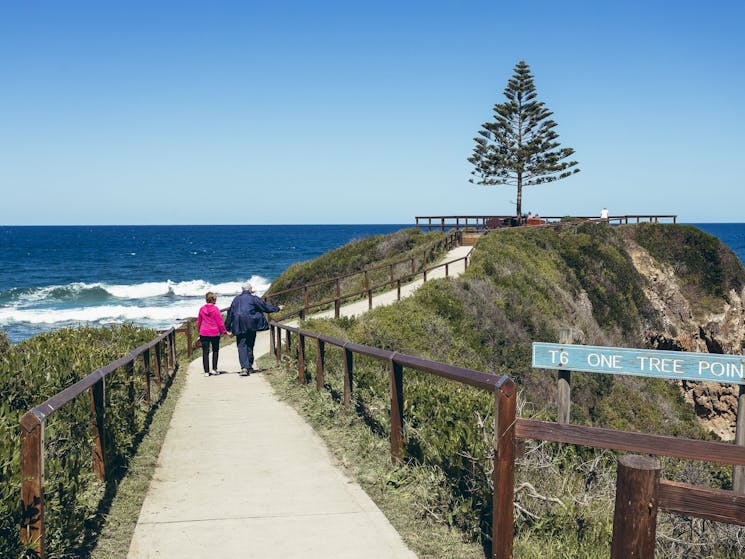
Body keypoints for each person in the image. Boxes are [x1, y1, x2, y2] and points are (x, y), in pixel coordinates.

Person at [226, 284, 284, 376]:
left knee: (241, 346)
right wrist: (277, 308)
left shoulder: (236, 299)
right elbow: (265, 308)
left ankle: (244, 367)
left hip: (239, 324)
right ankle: (248, 366)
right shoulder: (254, 298)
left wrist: (227, 327)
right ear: (250, 289)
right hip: (251, 325)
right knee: (250, 344)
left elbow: (230, 313)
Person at [197, 291, 229, 377]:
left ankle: (206, 371)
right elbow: (220, 323)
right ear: (213, 300)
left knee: (205, 352)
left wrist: (199, 332)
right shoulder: (216, 309)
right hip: (214, 333)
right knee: (215, 350)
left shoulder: (202, 309)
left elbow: (199, 322)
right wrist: (224, 332)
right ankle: (214, 369)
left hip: (204, 332)